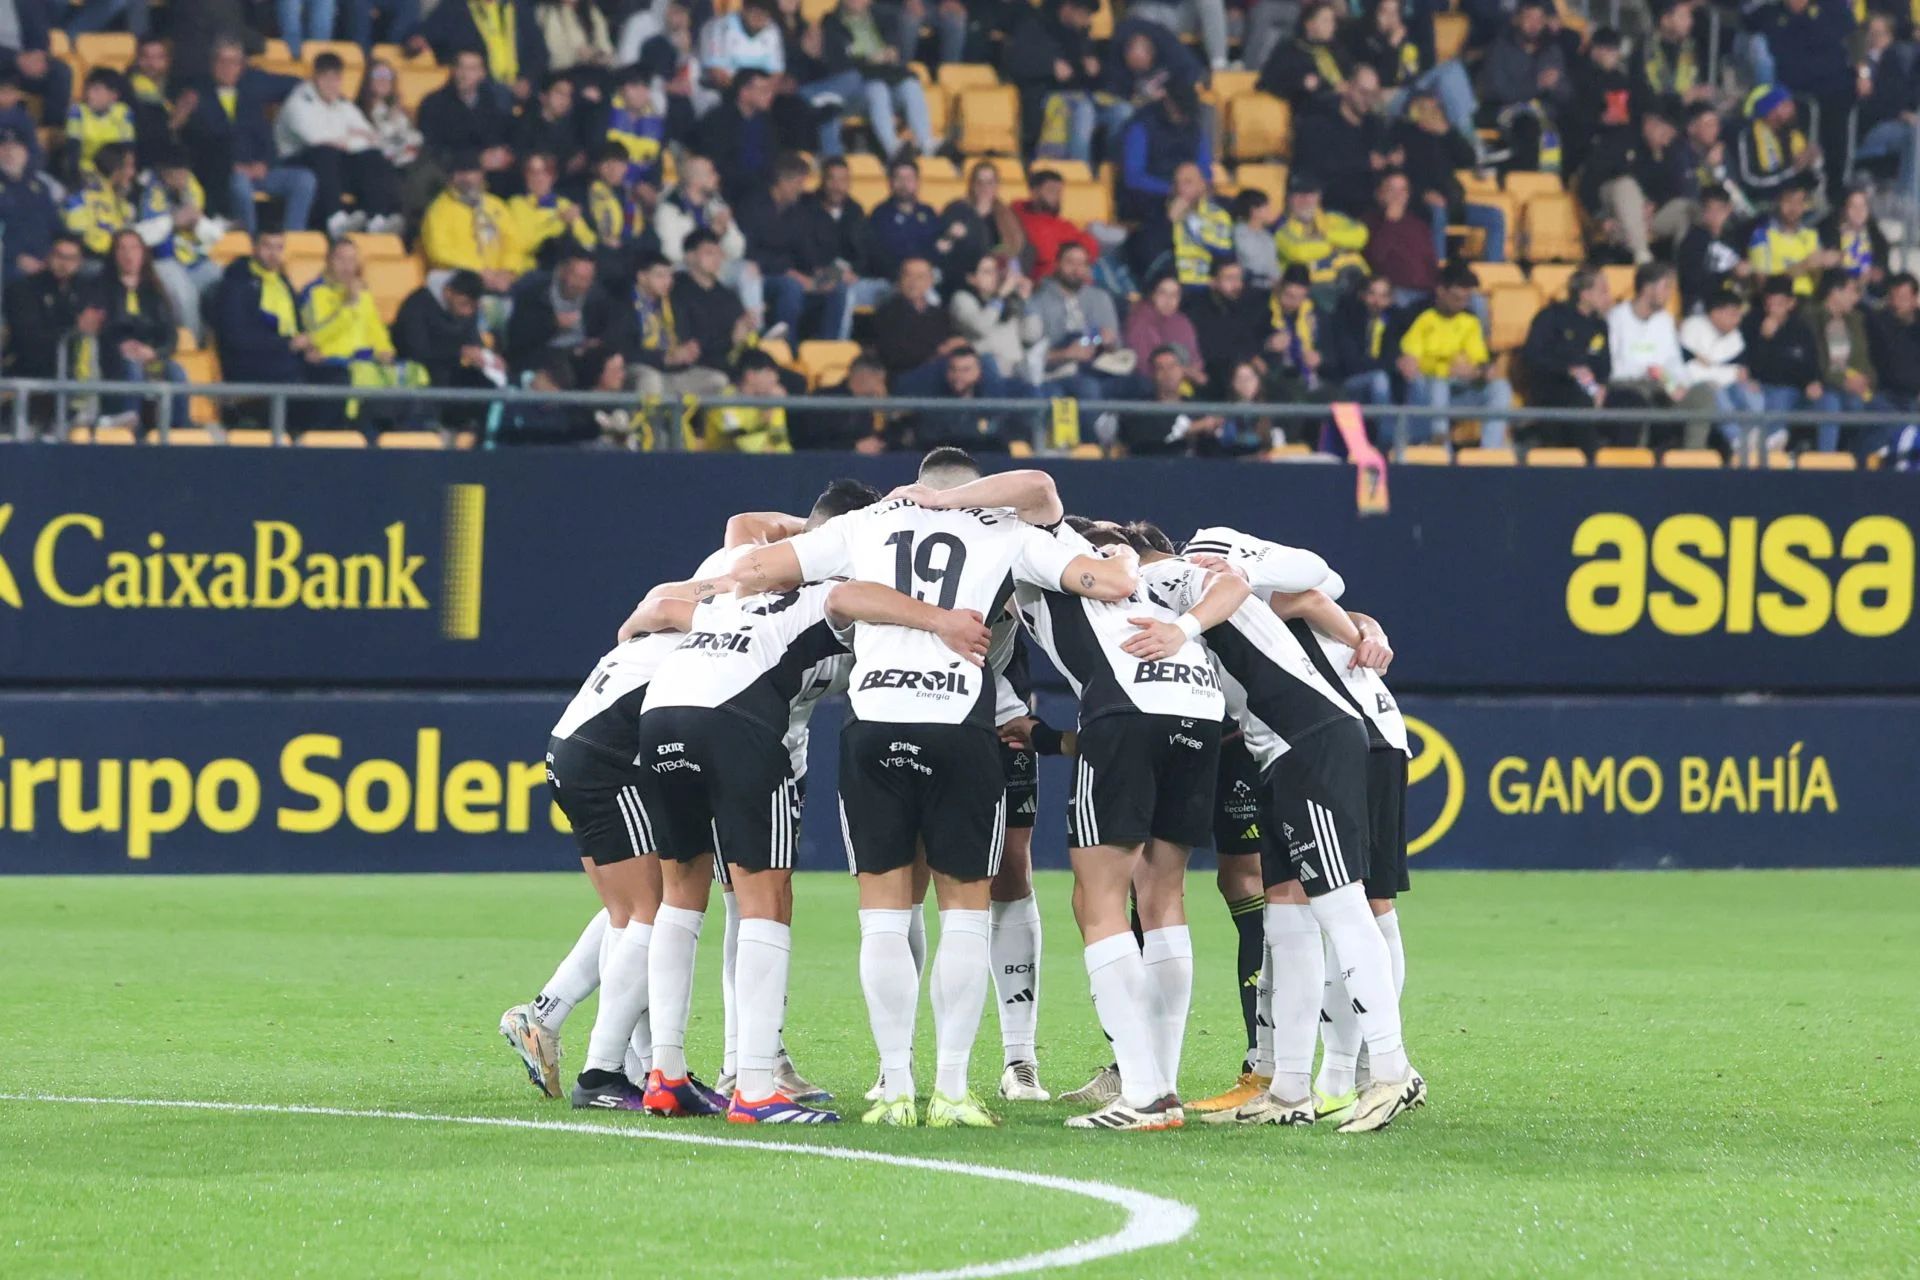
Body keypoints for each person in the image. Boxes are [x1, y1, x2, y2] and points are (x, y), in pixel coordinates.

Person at [728, 465, 1141, 1128]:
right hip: (960, 727)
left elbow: (754, 570)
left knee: (884, 920)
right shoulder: (1005, 529)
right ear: (971, 486)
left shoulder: (867, 522)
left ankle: (894, 1087)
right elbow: (1112, 580)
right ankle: (951, 1089)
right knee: (966, 917)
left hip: (876, 721)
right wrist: (1118, 555)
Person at [622, 489, 968, 1120]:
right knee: (766, 898)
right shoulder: (834, 578)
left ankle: (664, 1075)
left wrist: (638, 626)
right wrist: (935, 617)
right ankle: (755, 1085)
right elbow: (845, 600)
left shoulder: (739, 567)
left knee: (680, 893)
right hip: (740, 720)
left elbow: (670, 598)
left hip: (662, 711)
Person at [1137, 525, 1422, 1132]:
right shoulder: (1217, 584)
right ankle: (1289, 1088)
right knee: (1288, 917)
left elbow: (1267, 582)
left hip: (1309, 742)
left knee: (1347, 907)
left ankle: (1389, 1070)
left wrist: (1182, 627)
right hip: (1279, 752)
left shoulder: (1167, 575)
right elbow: (1311, 585)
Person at [1012, 519, 1242, 1127]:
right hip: (1198, 707)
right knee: (1163, 894)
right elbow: (1235, 584)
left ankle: (1142, 1091)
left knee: (1098, 900)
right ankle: (1160, 1085)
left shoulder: (1041, 560)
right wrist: (1186, 627)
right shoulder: (1150, 574)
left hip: (1126, 707)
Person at [212, 225, 351, 432]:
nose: (273, 254)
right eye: (267, 246)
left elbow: (297, 325)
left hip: (287, 359)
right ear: (254, 247)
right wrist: (287, 345)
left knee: (339, 376)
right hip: (252, 365)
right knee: (294, 374)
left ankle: (319, 439)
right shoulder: (236, 284)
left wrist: (307, 348)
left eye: (279, 248)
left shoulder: (282, 281)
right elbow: (237, 338)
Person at [184, 37, 313, 233]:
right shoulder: (198, 96)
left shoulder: (249, 97)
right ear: (212, 64)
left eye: (234, 62)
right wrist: (234, 167)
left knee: (304, 179)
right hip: (226, 173)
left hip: (258, 171)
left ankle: (292, 238)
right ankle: (250, 239)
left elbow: (267, 141)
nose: (228, 68)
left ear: (241, 67)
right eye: (222, 61)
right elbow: (199, 146)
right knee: (240, 183)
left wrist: (264, 164)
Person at [275, 52, 405, 235]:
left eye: (336, 79)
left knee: (372, 157)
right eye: (326, 79)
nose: (332, 85)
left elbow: (372, 137)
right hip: (298, 162)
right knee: (325, 152)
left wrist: (345, 139)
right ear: (316, 78)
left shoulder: (343, 104)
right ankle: (335, 220)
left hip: (333, 162)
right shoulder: (298, 103)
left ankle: (377, 219)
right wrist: (349, 136)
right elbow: (316, 139)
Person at [1520, 266, 1634, 452]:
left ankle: (1623, 461)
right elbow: (1533, 356)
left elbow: (1604, 365)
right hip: (1555, 388)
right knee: (1580, 402)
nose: (1609, 296)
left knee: (1631, 401)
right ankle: (1590, 463)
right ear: (1585, 294)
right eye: (1603, 291)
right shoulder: (1551, 317)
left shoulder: (1599, 325)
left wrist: (1601, 387)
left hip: (1591, 390)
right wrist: (1567, 370)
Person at [1607, 261, 1718, 450]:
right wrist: (1649, 373)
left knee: (1703, 394)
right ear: (1647, 288)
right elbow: (1614, 367)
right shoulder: (1616, 318)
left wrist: (1681, 383)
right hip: (1630, 385)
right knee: (1637, 400)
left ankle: (1691, 459)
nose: (1670, 294)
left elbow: (1674, 362)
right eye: (1666, 287)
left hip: (1665, 385)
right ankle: (1636, 460)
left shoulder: (1665, 321)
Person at [1395, 261, 1508, 447]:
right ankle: (1441, 446)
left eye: (1466, 299)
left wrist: (1477, 371)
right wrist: (1447, 368)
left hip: (1460, 388)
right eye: (1457, 298)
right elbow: (1412, 361)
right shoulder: (1424, 320)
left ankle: (1490, 452)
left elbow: (1478, 359)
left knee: (1500, 387)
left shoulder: (1470, 322)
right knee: (1439, 385)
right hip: (1428, 391)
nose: (1462, 304)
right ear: (1441, 292)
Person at [85, 228, 188, 432]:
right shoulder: (100, 287)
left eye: (134, 248)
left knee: (176, 373)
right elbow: (99, 327)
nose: (128, 254)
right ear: (114, 255)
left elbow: (170, 335)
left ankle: (179, 432)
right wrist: (121, 346)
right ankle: (131, 430)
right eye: (122, 249)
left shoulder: (156, 291)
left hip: (151, 358)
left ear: (143, 253)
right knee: (131, 369)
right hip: (113, 359)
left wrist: (153, 352)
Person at [300, 235, 408, 427]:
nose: (347, 267)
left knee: (413, 377)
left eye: (351, 260)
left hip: (366, 366)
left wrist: (385, 350)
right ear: (328, 260)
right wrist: (348, 306)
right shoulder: (313, 293)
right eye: (340, 259)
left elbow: (376, 329)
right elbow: (316, 337)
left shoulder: (363, 293)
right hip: (333, 366)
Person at [1392, 88, 1504, 266]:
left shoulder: (1444, 135)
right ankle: (1438, 266)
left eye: (1434, 108)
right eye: (1424, 108)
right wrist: (1423, 193)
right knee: (1438, 211)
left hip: (1453, 201)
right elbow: (1400, 175)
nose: (1430, 113)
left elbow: (1469, 158)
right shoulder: (1403, 134)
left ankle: (1493, 269)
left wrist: (1447, 133)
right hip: (1419, 203)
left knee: (1495, 216)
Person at [739, 150, 844, 340]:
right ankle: (787, 346)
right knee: (790, 287)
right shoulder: (752, 207)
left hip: (793, 274)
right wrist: (788, 271)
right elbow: (748, 254)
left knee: (837, 289)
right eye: (798, 183)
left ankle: (829, 347)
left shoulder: (797, 212)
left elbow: (804, 251)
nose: (801, 189)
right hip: (759, 276)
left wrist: (822, 272)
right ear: (783, 181)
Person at [1581, 103, 1690, 267]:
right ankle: (1643, 260)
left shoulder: (1668, 151)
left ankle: (1685, 270)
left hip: (1648, 218)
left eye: (1670, 136)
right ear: (1650, 123)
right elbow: (1588, 181)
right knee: (1626, 185)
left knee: (1687, 209)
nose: (1667, 141)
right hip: (1614, 215)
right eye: (1665, 133)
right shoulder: (1620, 138)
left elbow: (1675, 188)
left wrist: (1656, 204)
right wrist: (1600, 217)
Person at [1289, 65, 1394, 222]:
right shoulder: (1318, 122)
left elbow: (1382, 159)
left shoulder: (1374, 125)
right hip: (1330, 206)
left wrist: (1391, 159)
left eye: (1373, 94)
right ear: (1347, 87)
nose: (1367, 99)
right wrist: (1365, 162)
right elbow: (1314, 166)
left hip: (1370, 208)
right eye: (1363, 92)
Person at [624, 248, 731, 401]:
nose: (667, 282)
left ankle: (690, 424)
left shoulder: (675, 304)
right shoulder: (624, 304)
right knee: (651, 380)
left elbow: (689, 339)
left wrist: (690, 350)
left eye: (669, 276)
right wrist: (665, 358)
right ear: (642, 277)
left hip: (672, 373)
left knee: (717, 380)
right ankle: (649, 425)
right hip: (639, 369)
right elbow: (625, 349)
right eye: (660, 276)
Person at [1475, 0, 1569, 172]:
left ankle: (1556, 184)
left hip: (1544, 112)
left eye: (1539, 19)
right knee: (1528, 126)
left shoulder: (1552, 51)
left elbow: (1566, 94)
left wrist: (1555, 85)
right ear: (1517, 19)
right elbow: (1497, 91)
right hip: (1503, 110)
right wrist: (1537, 85)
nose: (1534, 24)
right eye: (1529, 18)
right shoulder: (1500, 48)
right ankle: (1523, 180)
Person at [392, 269, 497, 424]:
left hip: (453, 372)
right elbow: (415, 351)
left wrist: (486, 357)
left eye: (472, 308)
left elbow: (473, 342)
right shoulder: (417, 305)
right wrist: (458, 352)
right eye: (463, 305)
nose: (467, 312)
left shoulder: (469, 311)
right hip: (419, 374)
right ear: (448, 292)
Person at [1031, 241, 1130, 400]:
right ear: (1057, 264)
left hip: (1099, 367)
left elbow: (1115, 345)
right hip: (1056, 373)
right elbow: (1032, 356)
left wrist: (1107, 340)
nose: (1076, 270)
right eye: (1070, 262)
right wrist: (1066, 354)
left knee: (1136, 385)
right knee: (1087, 388)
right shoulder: (1038, 302)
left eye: (1082, 264)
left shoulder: (1101, 298)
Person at [1800, 268, 1883, 456]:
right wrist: (1843, 381)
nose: (1857, 297)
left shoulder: (1856, 320)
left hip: (1854, 389)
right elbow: (1816, 360)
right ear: (1835, 291)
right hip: (1823, 387)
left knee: (1888, 410)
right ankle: (1827, 462)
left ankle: (1860, 461)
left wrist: (1866, 380)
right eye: (1853, 291)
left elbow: (1864, 360)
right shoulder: (1811, 318)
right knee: (1833, 404)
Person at [1679, 285, 1765, 454]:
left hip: (1725, 386)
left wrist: (1721, 371)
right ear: (1715, 313)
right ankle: (1737, 440)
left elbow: (1741, 374)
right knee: (1716, 392)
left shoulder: (1736, 337)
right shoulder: (1692, 327)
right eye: (1733, 314)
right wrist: (1730, 373)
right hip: (1694, 390)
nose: (1738, 319)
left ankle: (1756, 436)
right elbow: (1693, 372)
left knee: (1750, 390)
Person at [420, 152, 521, 294]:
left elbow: (513, 243)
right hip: (458, 278)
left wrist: (507, 271)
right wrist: (478, 270)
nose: (467, 178)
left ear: (481, 174)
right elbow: (438, 251)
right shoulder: (439, 209)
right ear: (452, 177)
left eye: (472, 172)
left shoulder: (496, 206)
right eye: (461, 173)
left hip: (498, 278)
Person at [1741, 273, 1822, 451]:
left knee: (1825, 401)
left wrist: (1813, 381)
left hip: (1796, 390)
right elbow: (1752, 365)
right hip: (1763, 386)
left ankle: (1825, 457)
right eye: (1769, 303)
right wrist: (1764, 339)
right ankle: (1765, 445)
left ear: (1790, 303)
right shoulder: (1752, 324)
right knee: (1768, 396)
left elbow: (1810, 363)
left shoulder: (1801, 329)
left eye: (1779, 304)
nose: (1772, 309)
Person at [3, 235, 90, 395]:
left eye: (71, 258)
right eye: (59, 256)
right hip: (29, 374)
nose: (64, 263)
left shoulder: (87, 290)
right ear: (48, 256)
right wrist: (75, 327)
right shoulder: (22, 290)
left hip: (75, 375)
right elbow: (27, 339)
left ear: (80, 262)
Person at [418, 48, 519, 186]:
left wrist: (505, 154)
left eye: (471, 69)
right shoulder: (434, 103)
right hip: (451, 171)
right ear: (453, 70)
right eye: (460, 67)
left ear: (482, 74)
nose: (464, 74)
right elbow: (432, 149)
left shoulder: (492, 102)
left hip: (490, 172)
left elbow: (505, 134)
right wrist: (476, 160)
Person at [504, 248, 610, 378]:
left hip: (581, 358)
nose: (580, 284)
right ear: (562, 272)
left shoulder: (597, 298)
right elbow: (518, 336)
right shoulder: (534, 292)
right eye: (576, 277)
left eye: (586, 279)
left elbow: (610, 329)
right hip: (541, 359)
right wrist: (552, 323)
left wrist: (597, 342)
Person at [1116, 79, 1209, 225]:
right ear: (1168, 102)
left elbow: (1204, 168)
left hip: (1189, 192)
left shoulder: (1194, 129)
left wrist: (1197, 188)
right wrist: (1174, 190)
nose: (1182, 115)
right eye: (1179, 109)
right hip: (1150, 195)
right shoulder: (1142, 126)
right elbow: (1133, 176)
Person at [421, 0, 549, 103]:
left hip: (519, 86)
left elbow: (539, 52)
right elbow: (426, 35)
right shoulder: (455, 6)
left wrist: (527, 79)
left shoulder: (518, 7)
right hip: (480, 86)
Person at [896, 346, 1018, 452]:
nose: (958, 376)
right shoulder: (934, 408)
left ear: (978, 372)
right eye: (953, 369)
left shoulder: (993, 408)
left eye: (966, 370)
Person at [672, 229, 757, 379]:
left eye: (719, 253)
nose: (717, 259)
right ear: (690, 256)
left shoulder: (727, 295)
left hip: (733, 362)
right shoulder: (677, 291)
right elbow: (689, 341)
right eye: (709, 253)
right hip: (700, 366)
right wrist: (731, 339)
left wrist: (747, 327)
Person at [950, 252, 1040, 386]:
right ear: (971, 278)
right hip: (985, 372)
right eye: (987, 272)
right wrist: (999, 296)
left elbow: (1032, 336)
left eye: (995, 271)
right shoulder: (962, 299)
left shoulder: (1009, 301)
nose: (994, 277)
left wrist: (1026, 300)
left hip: (1017, 369)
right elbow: (981, 327)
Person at [872, 255, 963, 386]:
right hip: (904, 378)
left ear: (930, 281)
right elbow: (894, 357)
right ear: (900, 280)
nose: (913, 282)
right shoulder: (887, 313)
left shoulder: (939, 313)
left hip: (941, 373)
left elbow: (952, 340)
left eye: (920, 277)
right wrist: (939, 352)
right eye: (908, 276)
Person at [1184, 257, 1269, 396]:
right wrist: (1249, 357)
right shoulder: (1198, 309)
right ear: (1213, 282)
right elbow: (1212, 349)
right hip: (1215, 378)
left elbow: (1257, 334)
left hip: (1248, 372)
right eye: (1229, 278)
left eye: (1239, 278)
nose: (1236, 284)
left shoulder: (1247, 304)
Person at [695, 69, 779, 205]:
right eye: (764, 90)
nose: (770, 95)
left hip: (762, 191)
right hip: (729, 192)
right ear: (744, 92)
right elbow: (717, 162)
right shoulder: (717, 120)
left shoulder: (767, 122)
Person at [1272, 172, 1368, 290]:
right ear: (1288, 198)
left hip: (1356, 283)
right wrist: (1337, 245)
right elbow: (1299, 252)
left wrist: (1326, 235)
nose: (1305, 200)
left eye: (1310, 194)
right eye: (1299, 195)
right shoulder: (1281, 226)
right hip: (1313, 290)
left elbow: (1361, 236)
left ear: (1319, 196)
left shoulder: (1333, 217)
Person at [1735, 83, 1822, 213]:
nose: (1792, 108)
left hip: (1798, 202)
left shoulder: (1792, 132)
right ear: (1771, 111)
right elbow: (1750, 180)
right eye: (1785, 105)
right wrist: (1793, 168)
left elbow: (1812, 177)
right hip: (1763, 204)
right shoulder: (1748, 137)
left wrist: (1814, 161)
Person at [936, 160, 1026, 284]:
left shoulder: (1007, 216)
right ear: (972, 184)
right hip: (962, 279)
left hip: (999, 278)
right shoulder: (956, 210)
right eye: (980, 182)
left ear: (997, 186)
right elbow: (944, 249)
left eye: (990, 183)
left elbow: (1015, 249)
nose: (985, 187)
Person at [505, 151, 595, 272]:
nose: (538, 178)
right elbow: (524, 245)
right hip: (529, 270)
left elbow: (589, 244)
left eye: (545, 172)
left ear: (553, 176)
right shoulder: (516, 204)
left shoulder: (564, 204)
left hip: (562, 271)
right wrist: (554, 222)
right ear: (526, 176)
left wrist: (575, 223)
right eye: (532, 172)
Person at [1258, 0, 1350, 117]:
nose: (1332, 26)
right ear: (1310, 25)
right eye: (1326, 21)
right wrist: (1302, 84)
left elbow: (1350, 73)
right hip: (1314, 113)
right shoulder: (1290, 51)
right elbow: (1267, 82)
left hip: (1347, 109)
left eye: (1333, 21)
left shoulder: (1337, 49)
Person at [1362, 168, 1436, 306]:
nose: (1398, 195)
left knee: (1475, 300)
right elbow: (1375, 258)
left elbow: (1430, 261)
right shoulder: (1368, 222)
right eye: (1391, 190)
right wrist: (1390, 223)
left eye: (1403, 190)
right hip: (1394, 290)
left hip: (1427, 290)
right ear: (1379, 194)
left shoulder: (1418, 224)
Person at [1747, 178, 1829, 297]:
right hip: (1777, 301)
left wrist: (1823, 266)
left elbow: (1817, 281)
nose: (1794, 208)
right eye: (1788, 201)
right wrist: (1804, 266)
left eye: (1799, 202)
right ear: (1779, 202)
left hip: (1806, 300)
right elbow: (1762, 283)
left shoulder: (1811, 236)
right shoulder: (1761, 235)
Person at [1012, 169, 1099, 281]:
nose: (1057, 197)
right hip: (1046, 280)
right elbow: (1045, 251)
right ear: (1034, 192)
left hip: (1074, 275)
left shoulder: (1062, 223)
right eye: (1051, 190)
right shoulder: (1019, 216)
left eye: (1059, 192)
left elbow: (1091, 246)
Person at [699, 348, 793, 451]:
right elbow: (742, 444)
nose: (775, 378)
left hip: (764, 462)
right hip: (720, 462)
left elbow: (781, 443)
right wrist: (765, 419)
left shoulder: (771, 400)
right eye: (768, 373)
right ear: (750, 376)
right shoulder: (723, 401)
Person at [868, 156, 941, 287]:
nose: (904, 184)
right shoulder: (879, 215)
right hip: (891, 281)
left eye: (909, 179)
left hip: (926, 279)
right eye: (899, 178)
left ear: (917, 182)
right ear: (890, 182)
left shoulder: (928, 213)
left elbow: (937, 249)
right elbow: (877, 256)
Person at [0, 125, 59, 284]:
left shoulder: (40, 187)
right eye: (4, 148)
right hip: (9, 265)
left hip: (46, 261)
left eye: (16, 148)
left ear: (26, 153)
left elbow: (55, 226)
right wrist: (16, 257)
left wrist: (54, 255)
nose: (10, 153)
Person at [1676, 186, 1747, 314]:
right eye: (1710, 210)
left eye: (1720, 210)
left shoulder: (1733, 240)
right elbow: (1691, 281)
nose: (1715, 216)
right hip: (1701, 304)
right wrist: (1730, 272)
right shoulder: (1693, 240)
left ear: (1728, 209)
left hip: (1731, 303)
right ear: (1703, 212)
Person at [63, 140, 135, 262]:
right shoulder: (91, 192)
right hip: (91, 260)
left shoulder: (113, 195)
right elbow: (77, 230)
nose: (133, 172)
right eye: (130, 166)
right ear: (116, 169)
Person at [1125, 274, 1204, 385]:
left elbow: (1196, 361)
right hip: (1150, 384)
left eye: (1174, 295)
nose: (1169, 300)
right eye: (1163, 293)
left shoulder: (1182, 322)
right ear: (1152, 295)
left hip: (1185, 383)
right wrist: (1183, 371)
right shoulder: (1140, 320)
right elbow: (1144, 367)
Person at [356, 60, 426, 175]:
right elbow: (377, 143)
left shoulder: (401, 113)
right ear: (368, 79)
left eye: (387, 75)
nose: (383, 80)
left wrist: (396, 118)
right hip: (383, 167)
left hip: (411, 163)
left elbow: (416, 138)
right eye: (378, 75)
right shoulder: (360, 112)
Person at [1821, 185, 1889, 296]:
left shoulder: (1878, 240)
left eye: (1863, 206)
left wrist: (1878, 277)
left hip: (1867, 295)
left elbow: (1884, 276)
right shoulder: (1828, 234)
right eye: (1853, 206)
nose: (1859, 211)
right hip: (1837, 292)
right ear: (1844, 209)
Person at [68, 67, 136, 177]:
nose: (89, 94)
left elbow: (128, 149)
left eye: (97, 90)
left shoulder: (124, 112)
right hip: (86, 170)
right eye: (88, 89)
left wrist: (127, 172)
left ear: (113, 95)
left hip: (116, 170)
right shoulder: (77, 112)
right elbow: (72, 149)